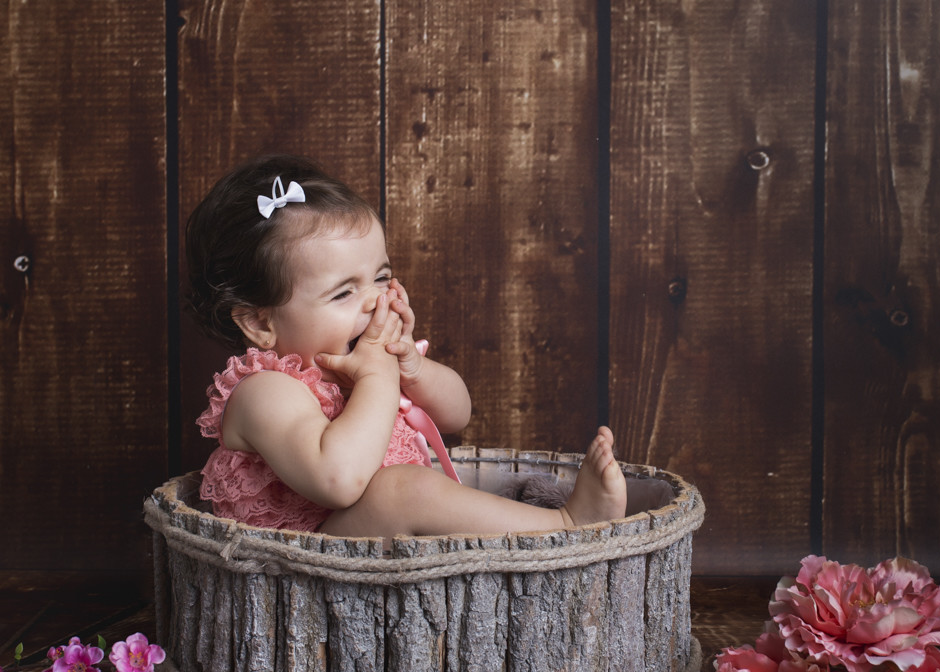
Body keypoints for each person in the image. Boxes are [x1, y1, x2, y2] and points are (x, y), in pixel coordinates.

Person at [186, 154, 626, 538]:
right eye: (343, 293)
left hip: (371, 544)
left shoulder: (363, 361)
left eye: (381, 276)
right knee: (404, 492)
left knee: (418, 490)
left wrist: (413, 369)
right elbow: (338, 481)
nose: (377, 300)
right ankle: (567, 526)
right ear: (261, 323)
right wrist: (378, 375)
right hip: (305, 563)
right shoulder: (265, 390)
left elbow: (457, 416)